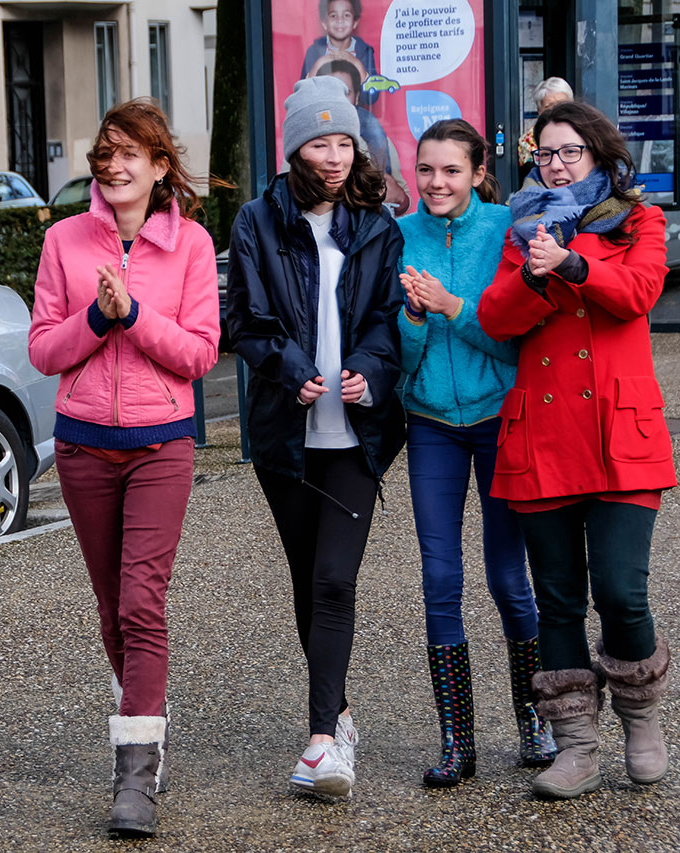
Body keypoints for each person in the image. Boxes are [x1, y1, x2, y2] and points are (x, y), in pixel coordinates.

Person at [27, 99, 220, 836]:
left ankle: (135, 778)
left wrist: (134, 314)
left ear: (160, 166)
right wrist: (97, 317)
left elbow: (200, 353)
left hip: (160, 444)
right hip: (82, 445)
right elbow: (43, 350)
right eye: (104, 153)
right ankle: (149, 716)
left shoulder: (191, 244)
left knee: (142, 602)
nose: (113, 165)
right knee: (112, 607)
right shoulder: (64, 241)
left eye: (129, 153)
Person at [476, 100, 678, 800]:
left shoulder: (638, 218)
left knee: (622, 590)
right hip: (544, 435)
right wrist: (535, 275)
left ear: (599, 155)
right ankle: (577, 746)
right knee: (557, 599)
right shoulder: (523, 227)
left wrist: (572, 264)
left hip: (621, 433)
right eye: (546, 153)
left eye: (570, 152)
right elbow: (495, 318)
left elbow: (640, 292)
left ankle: (641, 717)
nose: (556, 165)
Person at [226, 76, 405, 799]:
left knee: (335, 579)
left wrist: (369, 369)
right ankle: (341, 713)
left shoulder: (378, 225)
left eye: (344, 142)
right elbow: (246, 322)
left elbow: (387, 320)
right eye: (319, 142)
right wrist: (291, 367)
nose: (334, 156)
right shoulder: (256, 222)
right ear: (294, 147)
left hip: (357, 435)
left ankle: (322, 744)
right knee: (308, 581)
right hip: (288, 436)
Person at [397, 118, 557, 788]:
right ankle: (456, 740)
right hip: (430, 423)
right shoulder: (400, 235)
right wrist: (413, 319)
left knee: (507, 578)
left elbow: (515, 340)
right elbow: (400, 358)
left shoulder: (505, 231)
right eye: (425, 170)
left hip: (498, 419)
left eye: (451, 170)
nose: (436, 183)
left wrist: (451, 306)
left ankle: (535, 720)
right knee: (440, 579)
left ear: (479, 172)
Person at [315, 59, 410, 216]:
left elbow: (401, 197)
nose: (338, 100)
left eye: (346, 92)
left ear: (357, 97)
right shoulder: (304, 146)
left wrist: (401, 200)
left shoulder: (379, 140)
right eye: (331, 92)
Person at [300, 0, 381, 107]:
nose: (340, 20)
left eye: (346, 15)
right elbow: (302, 96)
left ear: (355, 22)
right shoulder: (314, 51)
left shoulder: (363, 51)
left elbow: (371, 98)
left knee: (370, 119)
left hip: (354, 112)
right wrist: (320, 63)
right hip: (323, 111)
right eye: (333, 16)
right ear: (324, 23)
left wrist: (357, 64)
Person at [518, 78, 574, 179]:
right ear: (539, 111)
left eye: (562, 105)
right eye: (549, 107)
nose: (557, 111)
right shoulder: (529, 141)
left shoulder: (582, 132)